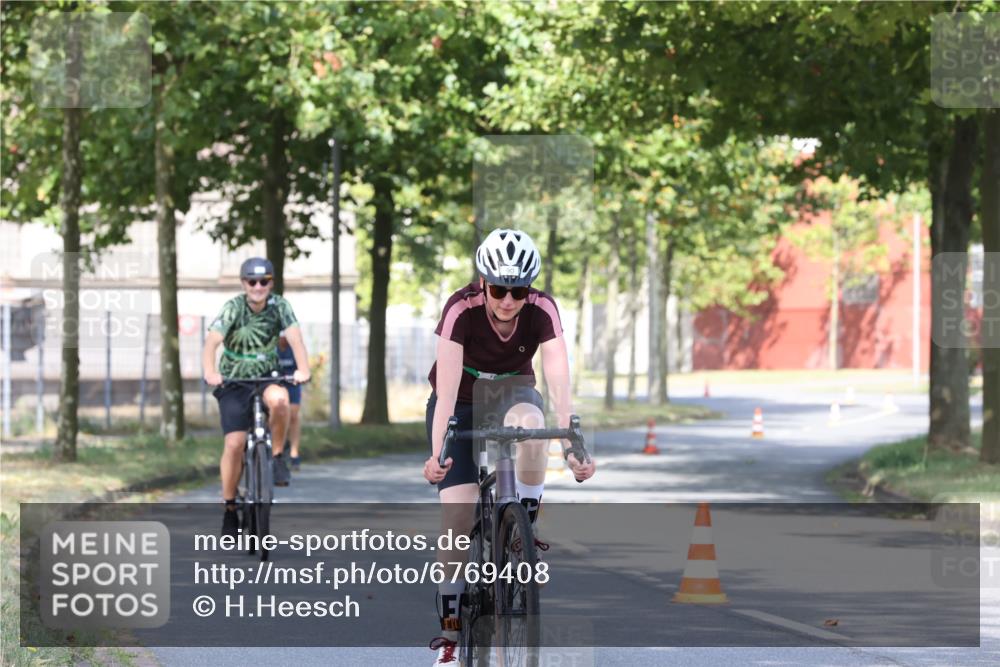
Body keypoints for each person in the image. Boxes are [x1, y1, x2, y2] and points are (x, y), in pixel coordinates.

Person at [422, 229, 596, 665]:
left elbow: (558, 383)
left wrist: (572, 445)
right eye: (499, 289)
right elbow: (445, 394)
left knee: (533, 426)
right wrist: (437, 454)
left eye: (518, 291)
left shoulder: (542, 309)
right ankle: (450, 631)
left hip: (514, 393)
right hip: (461, 402)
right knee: (457, 514)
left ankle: (522, 527)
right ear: (483, 282)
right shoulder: (460, 309)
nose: (507, 301)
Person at [202, 257, 310, 537]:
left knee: (281, 401)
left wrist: (303, 369)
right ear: (244, 284)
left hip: (266, 375)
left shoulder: (280, 306)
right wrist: (210, 372)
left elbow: (295, 339)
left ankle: (276, 456)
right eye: (252, 281)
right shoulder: (233, 308)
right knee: (235, 443)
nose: (258, 286)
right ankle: (229, 508)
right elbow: (211, 342)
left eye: (264, 281)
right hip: (233, 380)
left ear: (271, 283)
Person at [277, 331, 303, 470]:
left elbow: (303, 366)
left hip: (292, 385)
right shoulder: (271, 349)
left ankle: (294, 452)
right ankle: (278, 447)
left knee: (293, 415)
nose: (283, 340)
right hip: (276, 385)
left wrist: (302, 374)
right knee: (276, 415)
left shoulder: (294, 348)